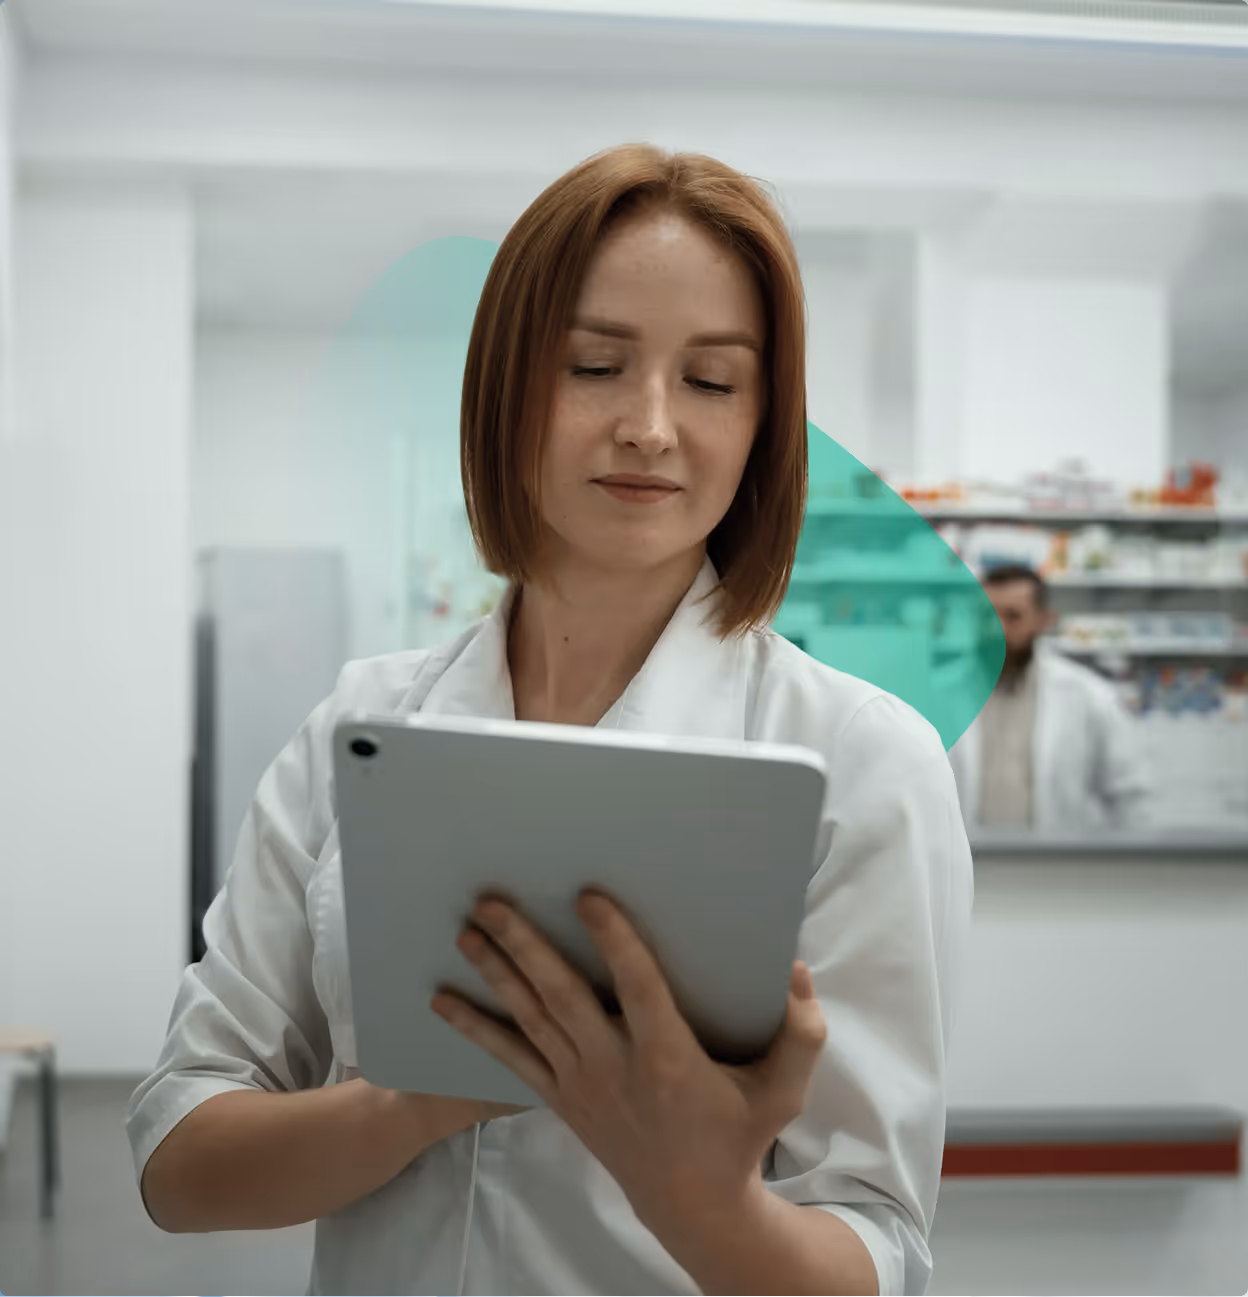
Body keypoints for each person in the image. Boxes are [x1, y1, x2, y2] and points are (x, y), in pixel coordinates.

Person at [126, 144, 972, 1297]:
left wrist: (700, 1199)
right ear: (506, 383)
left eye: (714, 381)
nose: (651, 426)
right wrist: (414, 1100)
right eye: (593, 365)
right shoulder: (362, 725)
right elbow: (178, 1161)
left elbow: (876, 1247)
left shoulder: (863, 763)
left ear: (766, 425)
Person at [948, 563, 1150, 833]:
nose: (996, 630)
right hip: (963, 864)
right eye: (986, 616)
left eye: (1012, 616)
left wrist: (1125, 869)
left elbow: (1130, 795)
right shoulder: (940, 695)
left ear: (1044, 620)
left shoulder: (1087, 696)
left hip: (1054, 865)